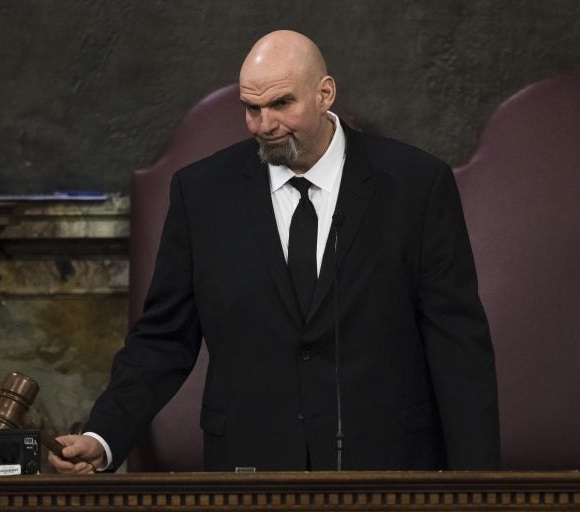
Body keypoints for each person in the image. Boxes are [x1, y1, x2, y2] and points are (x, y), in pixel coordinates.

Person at [49, 30, 500, 473]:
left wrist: (479, 487)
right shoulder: (203, 194)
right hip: (251, 470)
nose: (264, 125)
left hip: (386, 466)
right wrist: (102, 436)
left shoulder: (415, 186)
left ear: (325, 94)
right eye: (251, 108)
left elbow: (457, 345)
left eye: (282, 104)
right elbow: (164, 336)